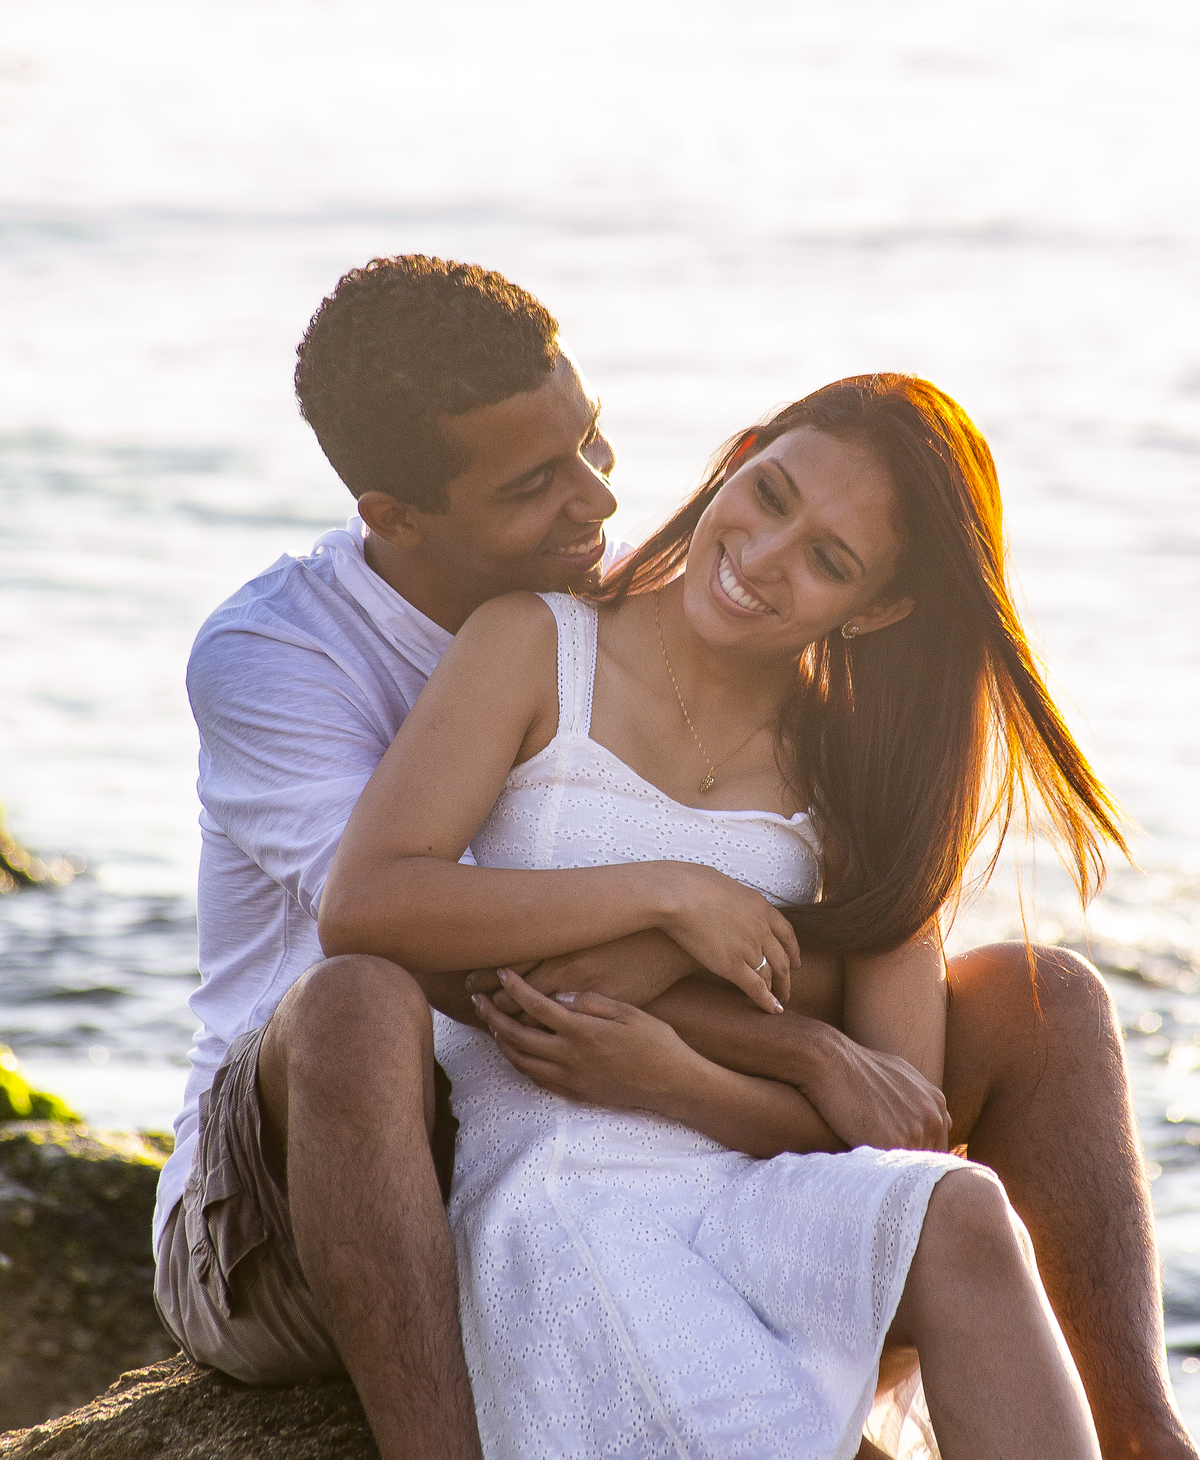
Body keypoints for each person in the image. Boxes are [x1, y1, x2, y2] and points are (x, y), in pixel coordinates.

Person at [151, 255, 1196, 1460]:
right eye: (537, 482)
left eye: (591, 442)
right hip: (338, 1155)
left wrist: (699, 1026)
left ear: (872, 605)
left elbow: (891, 1105)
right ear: (399, 516)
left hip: (722, 1158)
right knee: (360, 1002)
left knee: (1040, 1012)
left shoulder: (748, 679)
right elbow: (408, 933)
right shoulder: (308, 654)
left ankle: (1146, 1437)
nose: (597, 501)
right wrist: (703, 936)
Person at [317, 373, 1115, 1456]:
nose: (765, 555)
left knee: (958, 1205)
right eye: (771, 492)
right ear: (738, 458)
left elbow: (893, 1118)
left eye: (830, 559)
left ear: (876, 609)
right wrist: (671, 893)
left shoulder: (855, 771)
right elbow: (368, 902)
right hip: (562, 1181)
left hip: (764, 1198)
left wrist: (680, 1079)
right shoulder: (537, 645)